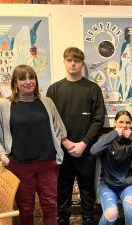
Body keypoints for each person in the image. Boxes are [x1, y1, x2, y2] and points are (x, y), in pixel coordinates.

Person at [0, 64, 66, 225]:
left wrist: (57, 148)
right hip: (19, 166)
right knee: (25, 208)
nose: (28, 81)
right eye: (22, 78)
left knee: (50, 206)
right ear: (15, 83)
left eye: (31, 77)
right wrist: (3, 156)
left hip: (47, 164)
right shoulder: (3, 107)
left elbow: (59, 129)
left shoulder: (47, 102)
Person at [47, 47, 105, 225]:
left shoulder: (93, 89)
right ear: (64, 62)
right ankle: (62, 219)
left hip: (85, 151)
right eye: (69, 60)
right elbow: (51, 121)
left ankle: (88, 219)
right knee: (62, 189)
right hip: (61, 150)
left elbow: (98, 120)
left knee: (87, 189)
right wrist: (65, 142)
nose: (73, 63)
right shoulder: (54, 90)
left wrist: (83, 144)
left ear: (82, 63)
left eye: (77, 60)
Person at [90, 110, 132, 225]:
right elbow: (93, 151)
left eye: (128, 122)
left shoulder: (131, 141)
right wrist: (114, 133)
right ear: (115, 123)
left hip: (128, 184)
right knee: (111, 214)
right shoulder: (107, 138)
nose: (124, 125)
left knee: (131, 211)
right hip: (107, 185)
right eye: (121, 122)